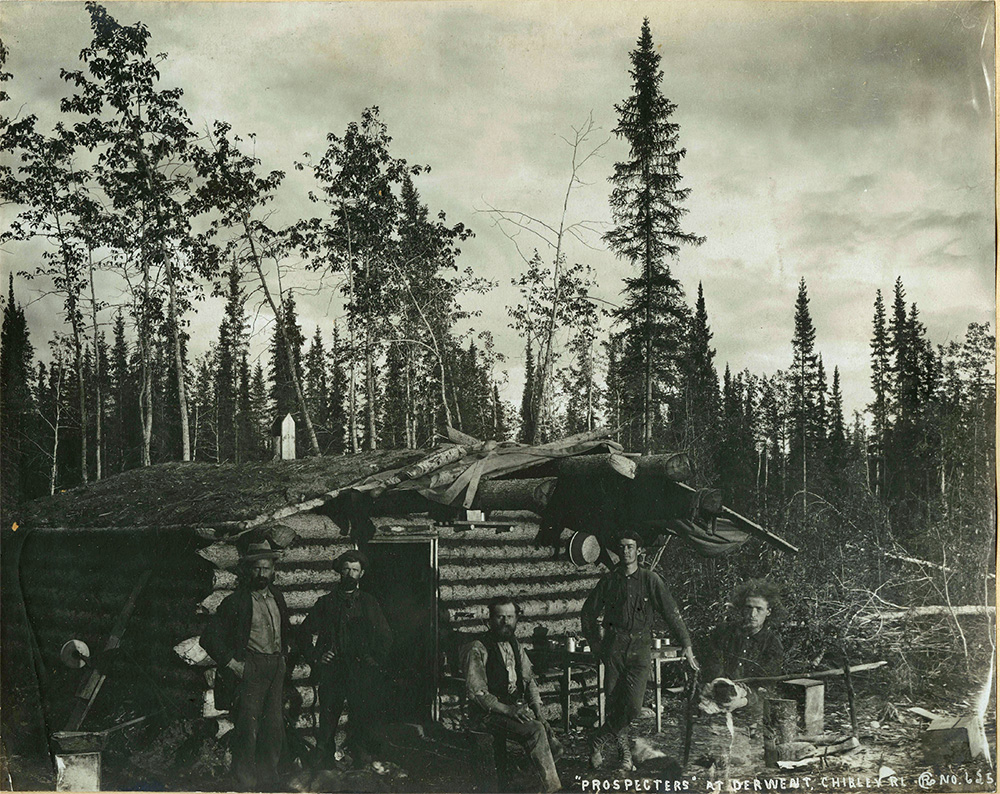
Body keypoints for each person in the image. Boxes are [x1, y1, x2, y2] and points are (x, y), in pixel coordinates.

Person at [581, 531, 699, 773]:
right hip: (614, 648)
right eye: (622, 547)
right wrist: (596, 645)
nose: (626, 551)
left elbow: (671, 612)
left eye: (630, 547)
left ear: (639, 550)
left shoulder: (650, 580)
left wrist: (686, 645)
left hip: (640, 649)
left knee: (633, 707)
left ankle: (597, 739)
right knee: (615, 704)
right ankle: (625, 756)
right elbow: (587, 613)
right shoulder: (609, 581)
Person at [201, 541, 292, 791]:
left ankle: (269, 780)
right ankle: (245, 782)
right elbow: (209, 637)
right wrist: (232, 663)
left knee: (274, 726)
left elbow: (286, 631)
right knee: (248, 727)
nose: (261, 574)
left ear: (274, 571)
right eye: (256, 568)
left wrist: (285, 657)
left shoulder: (278, 598)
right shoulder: (236, 602)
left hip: (276, 666)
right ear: (248, 571)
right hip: (251, 666)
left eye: (266, 568)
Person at [299, 549, 392, 770]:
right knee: (328, 718)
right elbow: (303, 633)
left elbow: (386, 636)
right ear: (339, 572)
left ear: (362, 574)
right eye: (346, 569)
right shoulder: (326, 603)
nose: (350, 574)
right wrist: (317, 656)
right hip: (333, 670)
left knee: (361, 716)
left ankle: (362, 762)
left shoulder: (368, 603)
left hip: (360, 670)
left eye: (355, 570)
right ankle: (325, 765)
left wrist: (373, 660)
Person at [461, 597, 563, 794]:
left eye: (509, 617)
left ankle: (521, 780)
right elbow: (478, 693)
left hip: (511, 711)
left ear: (516, 619)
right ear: (489, 620)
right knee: (535, 730)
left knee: (555, 745)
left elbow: (529, 681)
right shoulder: (477, 647)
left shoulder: (515, 645)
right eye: (500, 617)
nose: (505, 622)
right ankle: (552, 789)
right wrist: (509, 710)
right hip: (486, 714)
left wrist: (540, 715)